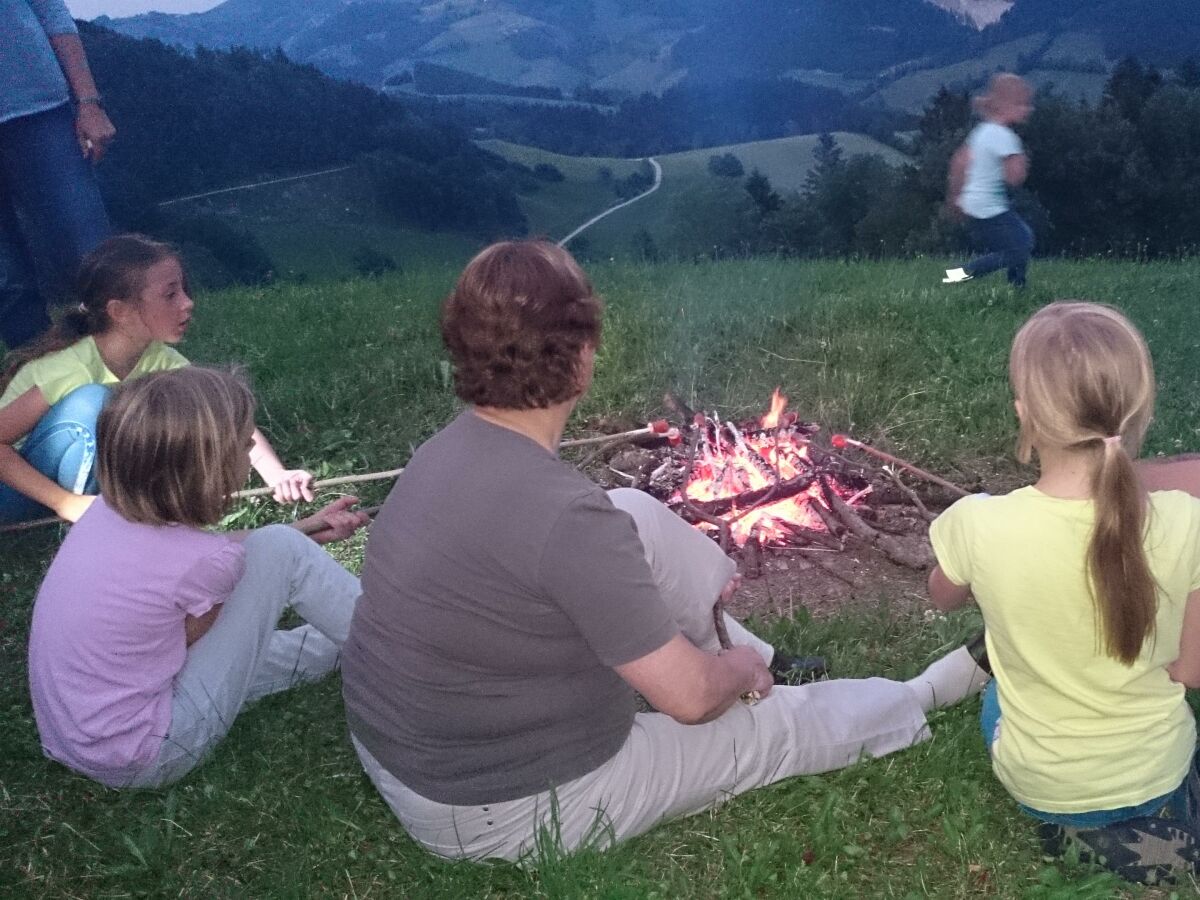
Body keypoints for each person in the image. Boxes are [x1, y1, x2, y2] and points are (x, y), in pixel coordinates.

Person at [342, 240, 990, 862]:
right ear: (583, 356)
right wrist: (737, 676)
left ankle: (758, 650)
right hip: (506, 804)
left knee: (631, 511)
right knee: (769, 728)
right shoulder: (564, 515)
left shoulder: (439, 454)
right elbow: (688, 701)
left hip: (401, 753)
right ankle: (914, 696)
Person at [927, 302, 1200, 885]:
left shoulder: (977, 523)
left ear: (1026, 415)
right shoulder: (1188, 522)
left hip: (1045, 787)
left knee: (997, 694)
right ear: (1139, 408)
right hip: (1162, 774)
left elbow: (941, 596)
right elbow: (1191, 671)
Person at [27, 367, 369, 788]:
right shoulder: (205, 562)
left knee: (285, 584)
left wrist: (307, 530)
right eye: (245, 445)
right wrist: (292, 542)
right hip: (153, 752)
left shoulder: (104, 514)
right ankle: (409, 649)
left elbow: (205, 573)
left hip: (82, 738)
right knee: (279, 548)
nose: (250, 452)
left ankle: (348, 644)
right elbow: (201, 629)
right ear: (209, 468)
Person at [0, 234, 314, 525]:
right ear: (119, 311)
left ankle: (106, 514)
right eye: (170, 294)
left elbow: (223, 416)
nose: (187, 302)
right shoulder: (70, 368)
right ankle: (104, 523)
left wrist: (276, 475)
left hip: (61, 492)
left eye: (183, 290)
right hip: (15, 490)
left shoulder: (159, 359)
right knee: (94, 403)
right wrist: (65, 503)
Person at [1, 0, 116, 349]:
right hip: (39, 114)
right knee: (5, 281)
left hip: (40, 112)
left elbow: (49, 7)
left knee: (91, 255)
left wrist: (89, 102)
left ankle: (134, 375)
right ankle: (46, 383)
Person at [943, 73, 1035, 288]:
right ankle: (958, 275)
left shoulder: (981, 132)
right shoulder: (1005, 137)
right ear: (1006, 106)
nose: (1028, 109)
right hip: (989, 207)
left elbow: (959, 162)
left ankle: (1018, 285)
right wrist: (1020, 161)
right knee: (1019, 246)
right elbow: (1014, 178)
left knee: (1022, 239)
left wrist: (955, 196)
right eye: (1022, 104)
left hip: (975, 204)